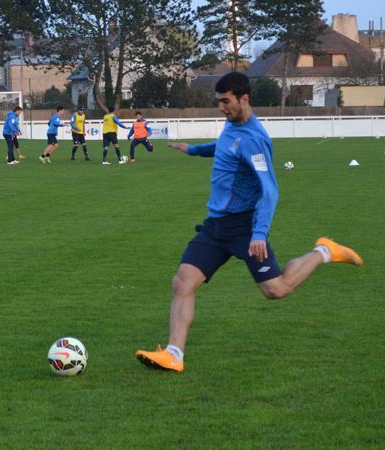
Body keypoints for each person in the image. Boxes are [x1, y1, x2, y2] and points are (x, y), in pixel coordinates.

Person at [136, 72, 363, 373]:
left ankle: (324, 251)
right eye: (218, 102)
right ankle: (174, 354)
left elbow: (270, 190)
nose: (221, 108)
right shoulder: (232, 126)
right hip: (216, 226)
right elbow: (225, 147)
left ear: (244, 99)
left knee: (276, 290)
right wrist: (193, 150)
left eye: (225, 101)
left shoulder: (255, 139)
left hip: (244, 228)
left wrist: (259, 233)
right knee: (183, 282)